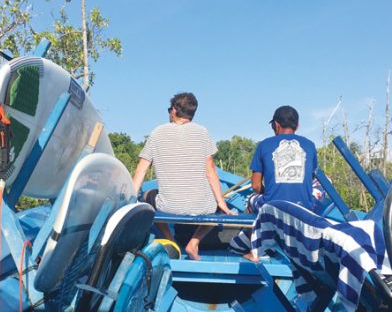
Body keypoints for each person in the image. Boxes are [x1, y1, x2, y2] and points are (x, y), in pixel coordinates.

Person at [132, 92, 235, 260]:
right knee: (216, 205)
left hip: (168, 207)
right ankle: (194, 242)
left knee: (147, 196)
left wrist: (131, 200)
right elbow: (211, 171)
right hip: (201, 207)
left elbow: (141, 170)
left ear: (173, 110)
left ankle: (170, 240)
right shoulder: (202, 132)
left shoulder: (157, 132)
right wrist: (221, 203)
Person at [232, 105, 318, 261]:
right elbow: (310, 179)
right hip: (304, 208)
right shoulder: (310, 145)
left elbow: (256, 186)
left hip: (274, 208)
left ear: (276, 125)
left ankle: (253, 244)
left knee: (251, 199)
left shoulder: (264, 145)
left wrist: (268, 192)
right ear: (297, 126)